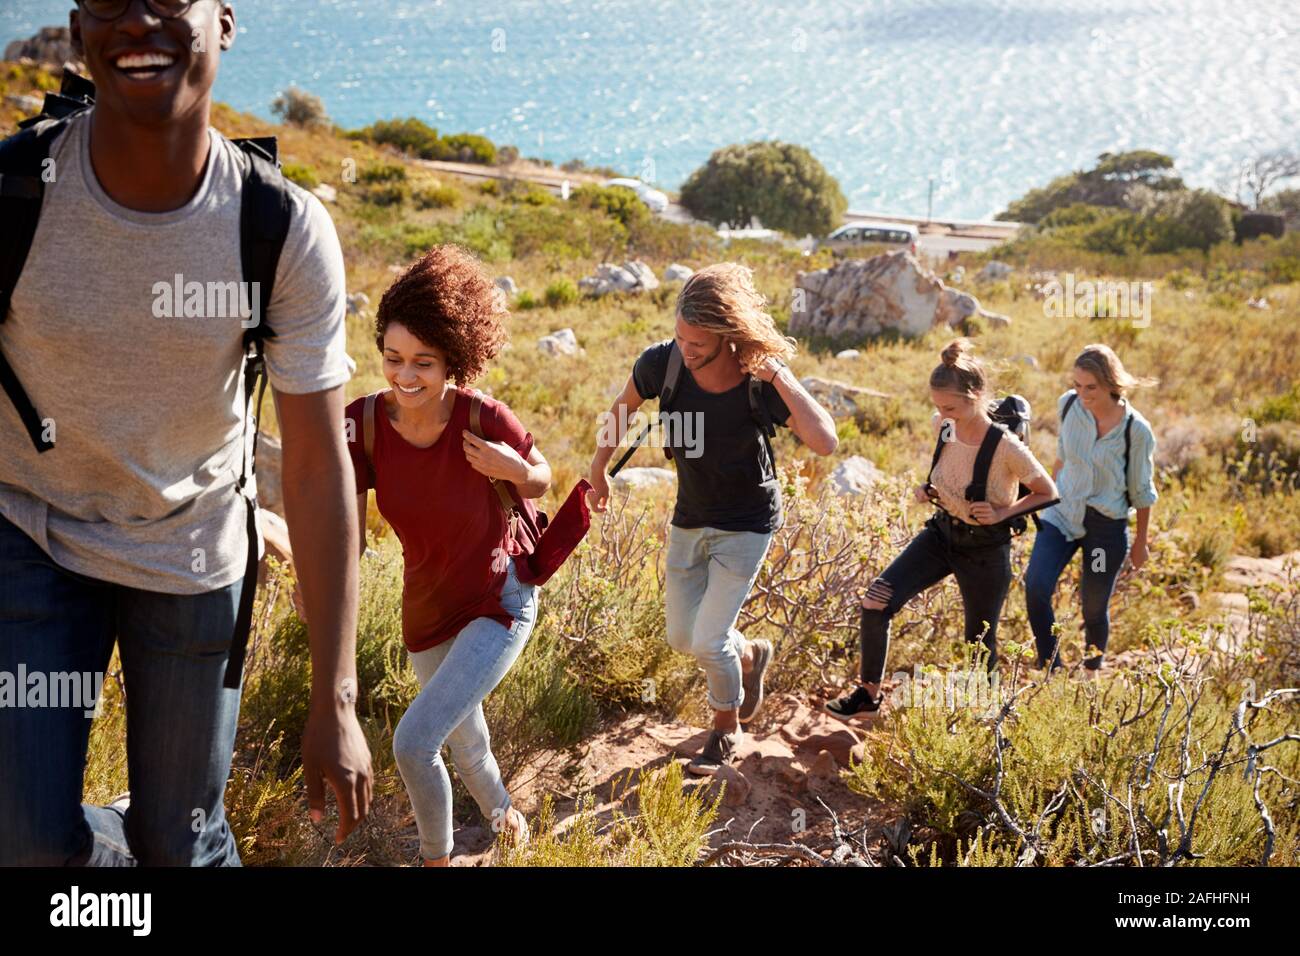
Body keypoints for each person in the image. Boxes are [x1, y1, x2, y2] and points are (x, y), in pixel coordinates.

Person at [0, 0, 371, 866]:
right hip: (29, 535)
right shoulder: (16, 195)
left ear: (225, 22)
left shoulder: (278, 229)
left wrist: (338, 698)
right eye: (111, 1)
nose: (139, 22)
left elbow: (317, 471)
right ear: (79, 27)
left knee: (182, 843)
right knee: (23, 843)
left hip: (192, 549)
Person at [586, 263, 838, 775]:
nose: (686, 348)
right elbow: (621, 410)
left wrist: (779, 374)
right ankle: (748, 655)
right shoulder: (665, 364)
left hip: (747, 524)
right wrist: (597, 468)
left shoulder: (756, 380)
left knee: (706, 638)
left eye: (698, 341)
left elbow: (825, 441)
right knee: (683, 637)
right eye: (680, 335)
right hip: (691, 516)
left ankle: (726, 729)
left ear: (727, 336)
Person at [343, 245, 550, 866]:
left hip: (499, 599)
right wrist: (319, 582)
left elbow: (540, 480)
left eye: (423, 363)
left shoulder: (483, 416)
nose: (405, 376)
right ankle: (507, 817)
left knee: (414, 742)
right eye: (393, 359)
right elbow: (350, 536)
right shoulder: (364, 424)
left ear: (452, 362)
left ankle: (437, 859)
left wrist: (514, 467)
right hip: (427, 606)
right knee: (466, 740)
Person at [826, 340, 1058, 717]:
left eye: (949, 407)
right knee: (876, 600)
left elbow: (1048, 491)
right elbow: (949, 471)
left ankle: (992, 725)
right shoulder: (945, 426)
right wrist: (930, 490)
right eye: (937, 406)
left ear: (977, 396)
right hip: (941, 535)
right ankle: (868, 696)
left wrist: (1003, 513)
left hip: (985, 550)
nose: (942, 414)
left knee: (978, 642)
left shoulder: (1006, 446)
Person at [1024, 344, 1158, 675]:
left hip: (1103, 530)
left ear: (1111, 383)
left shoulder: (1135, 431)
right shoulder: (1068, 405)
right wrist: (1045, 497)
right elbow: (1061, 455)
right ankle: (1051, 668)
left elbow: (1142, 491)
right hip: (1062, 516)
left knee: (1093, 607)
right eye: (1078, 385)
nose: (1082, 394)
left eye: (1091, 388)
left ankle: (1090, 674)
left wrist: (1140, 542)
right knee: (1036, 586)